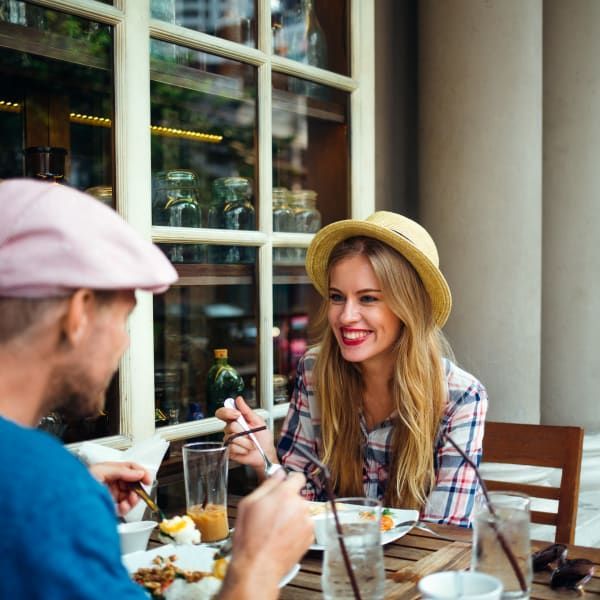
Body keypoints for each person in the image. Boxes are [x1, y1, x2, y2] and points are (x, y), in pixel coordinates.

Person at [0, 179, 312, 599]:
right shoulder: (45, 492)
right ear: (79, 313)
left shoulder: (43, 492)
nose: (125, 343)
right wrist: (257, 563)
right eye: (123, 319)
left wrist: (76, 497)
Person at [218, 211, 488, 527]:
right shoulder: (315, 371)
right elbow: (300, 505)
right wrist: (265, 459)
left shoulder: (461, 396)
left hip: (422, 569)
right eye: (337, 297)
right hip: (336, 563)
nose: (346, 316)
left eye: (368, 298)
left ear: (408, 308)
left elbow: (444, 530)